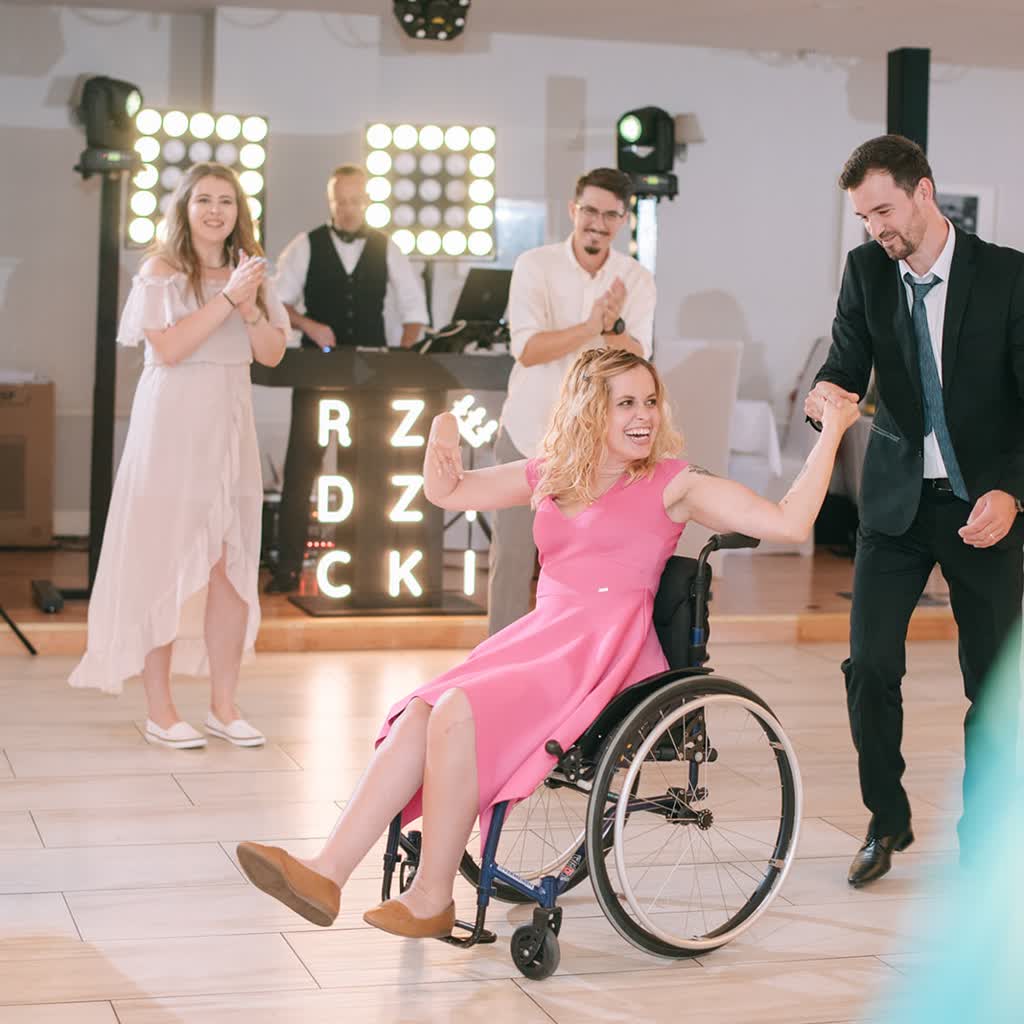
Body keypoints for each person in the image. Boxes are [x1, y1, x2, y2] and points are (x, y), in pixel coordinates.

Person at [237, 346, 859, 937]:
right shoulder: (554, 472)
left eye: (650, 401)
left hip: (603, 650)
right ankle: (326, 872)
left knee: (455, 710)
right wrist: (441, 446)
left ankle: (432, 896)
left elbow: (788, 521)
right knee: (419, 711)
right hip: (540, 636)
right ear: (590, 410)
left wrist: (832, 431)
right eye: (626, 403)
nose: (644, 416)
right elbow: (450, 493)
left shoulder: (675, 483)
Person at [806, 134, 1024, 886]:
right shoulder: (866, 271)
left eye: (884, 211)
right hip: (895, 505)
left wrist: (1012, 492)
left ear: (923, 192)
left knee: (992, 685)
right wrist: (826, 394)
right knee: (868, 666)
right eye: (864, 217)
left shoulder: (1007, 276)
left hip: (985, 507)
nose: (876, 229)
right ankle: (886, 820)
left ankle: (986, 840)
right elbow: (844, 363)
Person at [69, 162, 289, 749]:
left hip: (230, 422)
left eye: (226, 201)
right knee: (164, 560)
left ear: (240, 212)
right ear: (185, 209)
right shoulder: (161, 271)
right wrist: (227, 299)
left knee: (230, 564)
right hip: (172, 423)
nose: (216, 211)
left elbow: (271, 353)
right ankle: (160, 710)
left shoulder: (253, 273)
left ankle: (224, 705)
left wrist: (248, 304)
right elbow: (169, 348)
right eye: (204, 200)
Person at [488, 167, 656, 635]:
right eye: (589, 211)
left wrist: (612, 327)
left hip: (597, 447)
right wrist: (589, 327)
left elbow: (637, 358)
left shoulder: (636, 279)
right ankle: (499, 666)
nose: (597, 224)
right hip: (527, 435)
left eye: (610, 215)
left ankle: (580, 661)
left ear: (623, 220)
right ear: (573, 210)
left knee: (591, 567)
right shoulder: (535, 265)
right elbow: (527, 349)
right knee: (512, 560)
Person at [267, 164, 429, 594]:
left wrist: (402, 356)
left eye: (356, 201)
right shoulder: (306, 245)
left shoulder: (387, 247)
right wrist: (309, 325)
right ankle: (288, 570)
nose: (349, 209)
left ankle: (358, 567)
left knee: (365, 470)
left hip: (369, 377)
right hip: (316, 372)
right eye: (341, 202)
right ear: (331, 202)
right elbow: (277, 304)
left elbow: (415, 310)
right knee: (302, 468)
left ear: (367, 202)